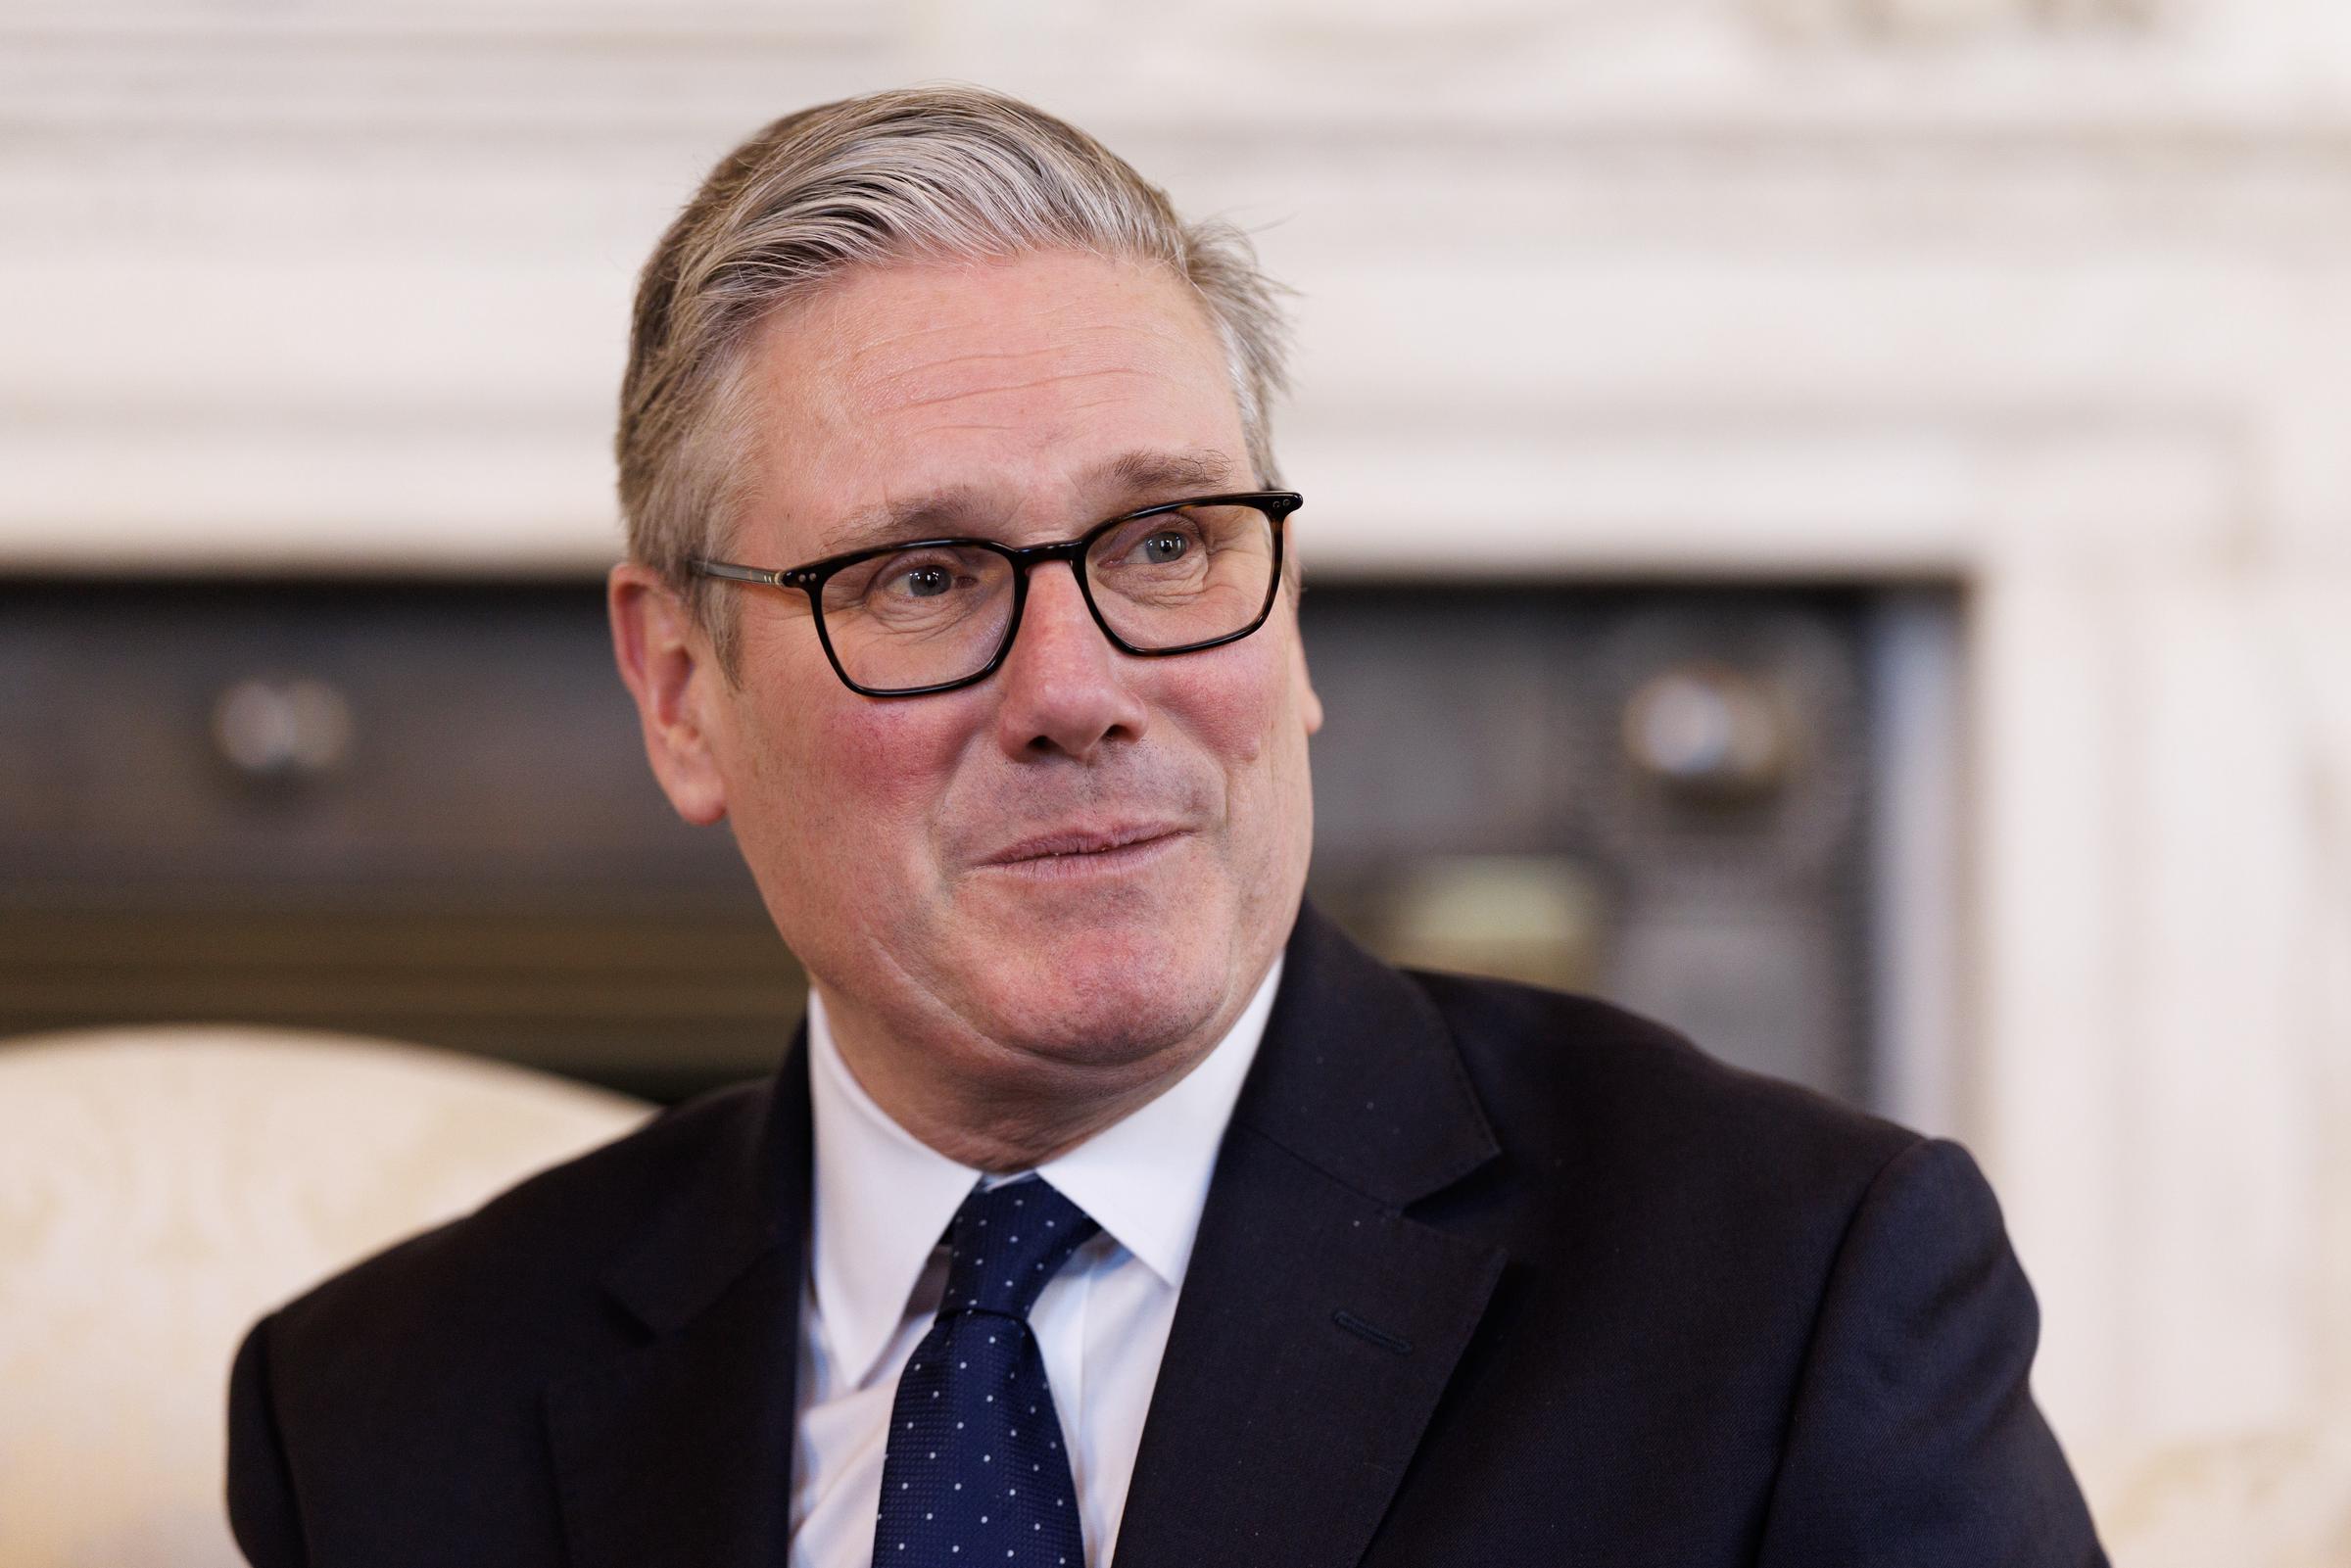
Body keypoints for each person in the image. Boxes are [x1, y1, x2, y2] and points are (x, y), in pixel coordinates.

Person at [225, 85, 2107, 1567]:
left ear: (1290, 625)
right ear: (677, 689)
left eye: (1166, 544)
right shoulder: (387, 1416)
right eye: (923, 576)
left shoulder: (1787, 1294)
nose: (1078, 685)